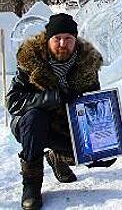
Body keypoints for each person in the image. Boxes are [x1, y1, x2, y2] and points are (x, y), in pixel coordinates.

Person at [6, 13, 107, 209]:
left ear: (75, 40)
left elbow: (92, 105)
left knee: (104, 155)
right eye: (57, 38)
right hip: (29, 126)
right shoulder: (30, 61)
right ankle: (31, 186)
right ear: (47, 39)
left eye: (68, 38)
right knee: (35, 118)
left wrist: (102, 139)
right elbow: (13, 101)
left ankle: (57, 156)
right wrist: (54, 97)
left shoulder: (87, 65)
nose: (62, 43)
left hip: (64, 125)